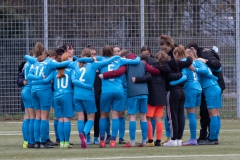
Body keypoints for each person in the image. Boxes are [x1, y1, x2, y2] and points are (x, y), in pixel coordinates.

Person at [31, 52, 91, 148]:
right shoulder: (71, 69)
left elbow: (46, 80)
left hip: (56, 95)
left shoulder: (55, 70)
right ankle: (66, 142)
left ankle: (61, 142)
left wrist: (36, 81)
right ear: (68, 59)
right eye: (70, 57)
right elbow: (75, 80)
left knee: (59, 119)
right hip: (67, 95)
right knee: (66, 119)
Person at [25, 42, 72, 148]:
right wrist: (70, 62)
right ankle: (43, 142)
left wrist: (38, 78)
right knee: (44, 117)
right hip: (44, 91)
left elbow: (29, 75)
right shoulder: (50, 62)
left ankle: (36, 142)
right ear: (46, 54)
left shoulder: (36, 62)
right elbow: (60, 65)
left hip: (34, 90)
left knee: (37, 117)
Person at [71, 48, 120, 148]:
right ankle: (84, 133)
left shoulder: (75, 64)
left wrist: (76, 58)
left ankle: (82, 140)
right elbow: (107, 61)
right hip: (88, 94)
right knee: (91, 118)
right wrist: (116, 56)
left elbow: (68, 64)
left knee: (80, 117)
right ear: (91, 57)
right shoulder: (93, 64)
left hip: (76, 94)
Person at [98, 45, 140, 148]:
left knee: (103, 116)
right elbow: (136, 61)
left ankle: (102, 141)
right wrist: (138, 56)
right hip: (119, 90)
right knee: (116, 116)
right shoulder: (120, 60)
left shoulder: (100, 60)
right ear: (113, 52)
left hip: (106, 91)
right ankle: (113, 141)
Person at [185, 41, 225, 144]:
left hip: (210, 88)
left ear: (191, 54)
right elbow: (215, 70)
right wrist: (214, 78)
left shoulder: (197, 62)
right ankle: (214, 138)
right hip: (214, 87)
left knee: (212, 114)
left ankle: (212, 139)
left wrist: (195, 69)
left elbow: (205, 71)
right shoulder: (199, 61)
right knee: (215, 114)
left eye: (186, 55)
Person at [159, 35, 192, 145]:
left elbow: (167, 75)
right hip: (182, 90)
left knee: (172, 116)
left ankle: (173, 139)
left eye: (164, 49)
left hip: (173, 91)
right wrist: (188, 55)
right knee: (179, 115)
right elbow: (189, 61)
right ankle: (178, 139)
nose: (163, 51)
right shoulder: (179, 62)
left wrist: (175, 77)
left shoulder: (167, 63)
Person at [169, 47, 202, 146]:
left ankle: (192, 138)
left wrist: (173, 83)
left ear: (178, 54)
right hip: (198, 87)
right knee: (193, 114)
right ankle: (192, 137)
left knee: (190, 114)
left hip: (190, 88)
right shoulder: (194, 62)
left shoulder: (183, 63)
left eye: (174, 55)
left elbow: (184, 76)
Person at [140, 46, 171, 147]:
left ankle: (150, 140)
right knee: (158, 119)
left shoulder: (151, 67)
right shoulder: (164, 69)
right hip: (161, 96)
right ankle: (158, 140)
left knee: (148, 119)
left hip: (152, 96)